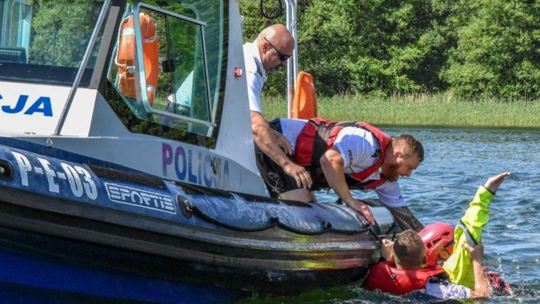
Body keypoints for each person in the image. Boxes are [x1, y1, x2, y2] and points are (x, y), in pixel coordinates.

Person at [256, 117, 425, 231]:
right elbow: (329, 160)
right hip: (279, 142)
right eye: (409, 167)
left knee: (314, 214)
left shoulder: (386, 179)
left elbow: (403, 215)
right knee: (305, 218)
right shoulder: (367, 145)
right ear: (398, 155)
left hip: (301, 166)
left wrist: (428, 239)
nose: (409, 174)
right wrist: (351, 202)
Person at [365, 172, 512, 299]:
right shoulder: (434, 287)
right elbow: (481, 297)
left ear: (393, 257)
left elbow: (393, 274)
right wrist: (477, 260)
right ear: (424, 259)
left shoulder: (377, 272)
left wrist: (385, 259)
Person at [243, 24, 313, 195]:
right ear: (265, 46)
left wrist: (274, 134)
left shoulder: (251, 60)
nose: (283, 64)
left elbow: (243, 114)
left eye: (287, 59)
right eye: (282, 57)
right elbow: (256, 127)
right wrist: (287, 164)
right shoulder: (250, 71)